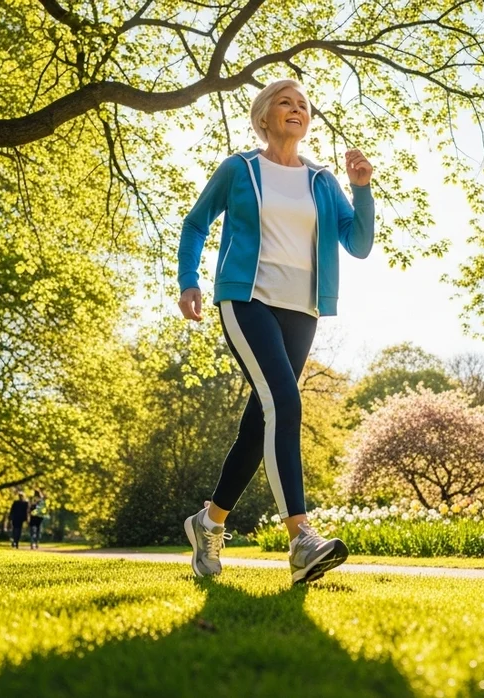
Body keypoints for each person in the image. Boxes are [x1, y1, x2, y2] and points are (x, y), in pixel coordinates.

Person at [176, 78, 375, 584]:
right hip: (246, 300)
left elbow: (358, 243)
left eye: (303, 105)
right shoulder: (239, 169)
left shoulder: (323, 181)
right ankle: (301, 538)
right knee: (285, 405)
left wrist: (361, 188)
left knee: (262, 421)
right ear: (263, 116)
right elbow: (196, 223)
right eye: (285, 102)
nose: (296, 109)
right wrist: (188, 281)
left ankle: (209, 522)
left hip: (302, 310)